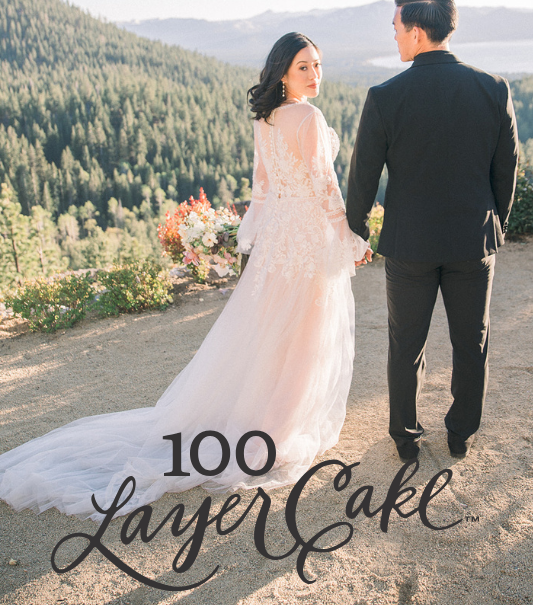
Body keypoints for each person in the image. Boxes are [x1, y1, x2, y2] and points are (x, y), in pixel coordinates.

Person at [0, 32, 369, 522]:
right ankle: (277, 432)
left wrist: (255, 243)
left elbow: (261, 192)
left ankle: (264, 422)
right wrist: (350, 241)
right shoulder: (308, 117)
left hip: (280, 242)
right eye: (304, 67)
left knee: (276, 336)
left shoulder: (268, 117)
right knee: (304, 337)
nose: (315, 75)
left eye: (318, 65)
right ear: (283, 72)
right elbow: (326, 189)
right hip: (304, 241)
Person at [345, 0, 519, 462]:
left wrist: (356, 230)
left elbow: (363, 176)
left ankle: (405, 436)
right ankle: (461, 431)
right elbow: (507, 170)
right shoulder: (494, 88)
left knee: (406, 343)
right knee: (472, 341)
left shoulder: (385, 96)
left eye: (397, 28)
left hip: (409, 245)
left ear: (417, 32)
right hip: (473, 240)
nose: (395, 36)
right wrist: (494, 224)